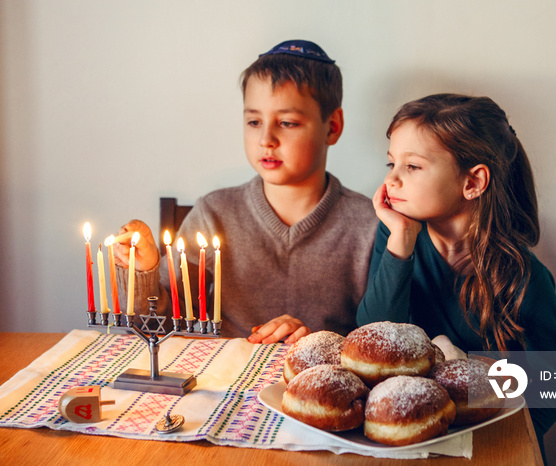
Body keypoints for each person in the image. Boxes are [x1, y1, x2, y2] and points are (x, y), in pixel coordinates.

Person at [113, 40, 378, 344]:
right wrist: (144, 271)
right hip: (225, 382)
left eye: (287, 122)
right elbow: (158, 325)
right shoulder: (215, 213)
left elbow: (383, 337)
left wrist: (315, 342)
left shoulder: (370, 225)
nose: (266, 138)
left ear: (332, 126)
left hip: (322, 382)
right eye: (254, 121)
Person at [356, 94, 556, 461]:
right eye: (391, 163)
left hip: (493, 450)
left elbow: (555, 387)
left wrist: (494, 442)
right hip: (411, 440)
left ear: (473, 181)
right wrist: (400, 244)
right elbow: (372, 338)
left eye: (413, 167)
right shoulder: (397, 237)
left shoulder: (525, 279)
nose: (391, 179)